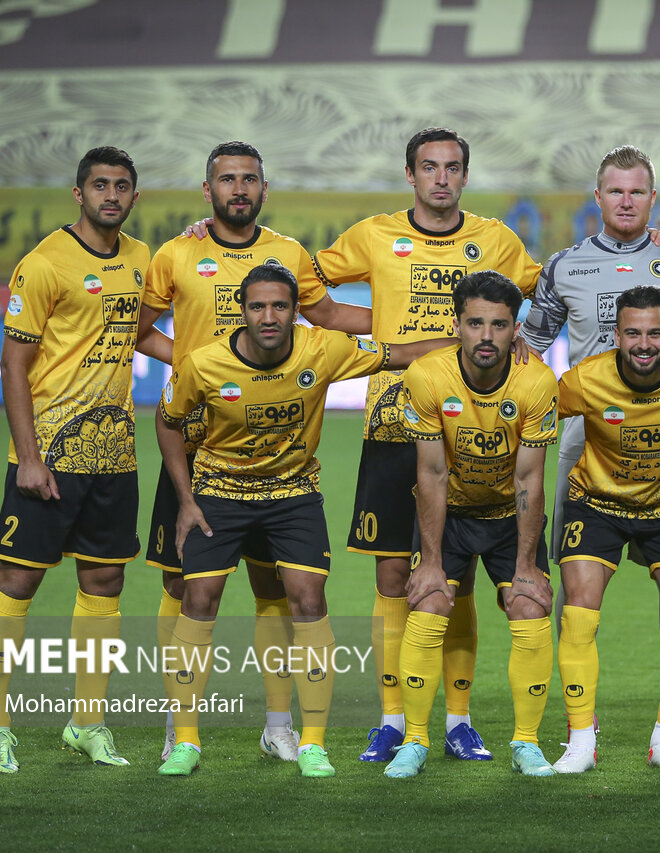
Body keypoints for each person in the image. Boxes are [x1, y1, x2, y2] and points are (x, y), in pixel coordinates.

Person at [155, 262, 449, 778]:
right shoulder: (204, 364)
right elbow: (168, 420)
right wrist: (186, 499)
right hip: (220, 493)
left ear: (295, 311)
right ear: (242, 312)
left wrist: (474, 334)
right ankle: (185, 740)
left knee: (308, 599)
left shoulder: (323, 349)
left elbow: (401, 354)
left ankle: (311, 742)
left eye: (280, 306)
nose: (269, 317)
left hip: (292, 494)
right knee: (199, 598)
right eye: (258, 307)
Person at [312, 127, 543, 763]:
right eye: (429, 168)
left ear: (465, 176)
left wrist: (647, 243)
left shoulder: (497, 240)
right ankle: (392, 720)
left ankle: (458, 721)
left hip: (475, 435)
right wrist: (386, 336)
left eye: (452, 168)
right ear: (410, 175)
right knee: (394, 577)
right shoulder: (373, 234)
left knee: (458, 581)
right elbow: (306, 291)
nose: (441, 178)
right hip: (393, 425)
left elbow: (547, 293)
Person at [138, 141, 373, 763]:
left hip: (278, 460)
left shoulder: (289, 254)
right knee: (181, 585)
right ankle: (177, 722)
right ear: (207, 189)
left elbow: (327, 315)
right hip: (194, 447)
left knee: (278, 591)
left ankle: (279, 725)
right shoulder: (176, 252)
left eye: (249, 180)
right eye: (226, 180)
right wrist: (195, 369)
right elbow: (138, 328)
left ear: (263, 190)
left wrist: (413, 322)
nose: (238, 189)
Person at [519, 144, 660, 762]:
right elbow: (526, 348)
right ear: (597, 198)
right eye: (616, 191)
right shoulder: (564, 267)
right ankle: (584, 722)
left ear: (652, 199)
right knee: (574, 590)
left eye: (638, 191)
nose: (626, 201)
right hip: (582, 449)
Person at [0, 146, 150, 773]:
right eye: (100, 185)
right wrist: (28, 457)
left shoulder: (139, 258)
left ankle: (87, 724)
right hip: (48, 455)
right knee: (18, 582)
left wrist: (195, 358)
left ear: (135, 196)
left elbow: (137, 330)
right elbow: (13, 364)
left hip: (114, 457)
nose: (111, 195)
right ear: (79, 193)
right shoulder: (44, 263)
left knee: (104, 582)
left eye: (122, 186)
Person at [382, 271, 560, 779]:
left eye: (499, 325)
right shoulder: (427, 376)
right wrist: (432, 561)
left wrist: (527, 564)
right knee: (429, 598)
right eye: (476, 323)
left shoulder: (536, 382)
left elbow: (530, 477)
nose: (487, 336)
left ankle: (526, 744)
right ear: (457, 324)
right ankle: (415, 740)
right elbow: (432, 473)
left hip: (509, 516)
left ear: (514, 328)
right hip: (452, 513)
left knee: (529, 603)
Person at [552, 285, 660, 774]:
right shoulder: (585, 380)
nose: (643, 344)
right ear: (616, 336)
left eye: (653, 333)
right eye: (632, 333)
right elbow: (527, 410)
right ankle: (581, 739)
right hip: (597, 504)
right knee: (578, 609)